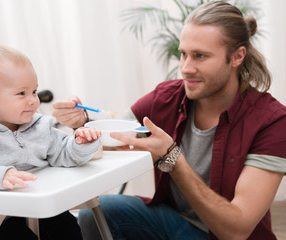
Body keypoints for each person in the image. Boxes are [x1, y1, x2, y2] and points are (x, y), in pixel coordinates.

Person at [52, 1, 286, 239]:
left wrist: (173, 158)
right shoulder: (167, 97)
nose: (185, 68)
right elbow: (118, 134)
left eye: (200, 56)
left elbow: (237, 230)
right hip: (177, 224)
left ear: (237, 56)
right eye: (183, 54)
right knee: (94, 213)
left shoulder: (272, 122)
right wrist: (83, 123)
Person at [0, 45, 102, 240]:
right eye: (22, 93)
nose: (34, 101)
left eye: (34, 91)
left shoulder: (40, 127)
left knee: (67, 226)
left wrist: (81, 144)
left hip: (41, 207)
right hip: (0, 217)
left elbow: (63, 154)